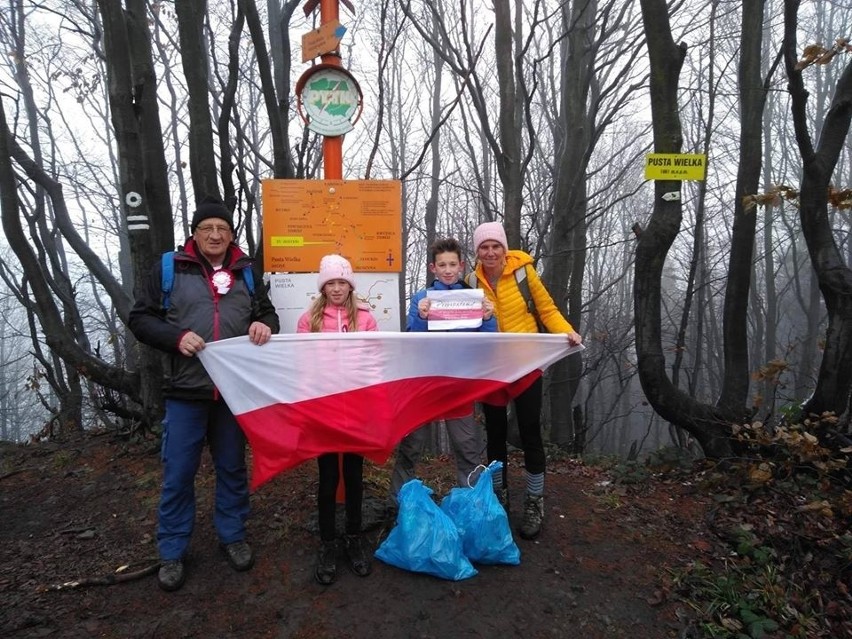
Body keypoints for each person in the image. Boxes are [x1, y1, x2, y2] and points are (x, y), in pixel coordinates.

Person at [128, 197, 280, 591]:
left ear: (231, 235)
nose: (215, 235)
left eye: (223, 229)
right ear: (194, 233)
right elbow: (140, 318)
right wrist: (175, 337)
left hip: (233, 394)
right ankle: (172, 550)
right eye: (207, 228)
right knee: (179, 473)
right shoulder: (170, 269)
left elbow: (268, 313)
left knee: (232, 468)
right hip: (184, 391)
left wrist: (264, 324)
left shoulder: (246, 272)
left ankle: (233, 536)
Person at [468, 221, 582, 540]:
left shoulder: (523, 273)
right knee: (495, 435)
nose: (490, 252)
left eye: (495, 246)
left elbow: (547, 310)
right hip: (492, 367)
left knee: (530, 431)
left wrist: (566, 331)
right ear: (476, 251)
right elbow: (458, 318)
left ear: (505, 249)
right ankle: (498, 498)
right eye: (483, 247)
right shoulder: (469, 280)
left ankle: (534, 501)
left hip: (527, 362)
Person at [390, 237, 496, 507]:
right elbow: (412, 338)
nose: (448, 270)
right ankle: (401, 506)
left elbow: (488, 342)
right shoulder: (421, 299)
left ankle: (475, 506)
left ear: (461, 266)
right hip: (425, 385)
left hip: (459, 385)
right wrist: (421, 318)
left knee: (467, 447)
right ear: (432, 268)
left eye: (452, 264)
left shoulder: (475, 298)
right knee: (411, 446)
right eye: (442, 265)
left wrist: (488, 319)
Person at [296, 254, 378, 585]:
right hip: (324, 409)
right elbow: (303, 365)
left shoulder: (367, 319)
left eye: (342, 282)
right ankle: (328, 542)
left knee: (354, 476)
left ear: (351, 285)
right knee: (329, 477)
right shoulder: (308, 319)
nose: (337, 288)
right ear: (323, 286)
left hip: (356, 408)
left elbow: (374, 362)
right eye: (330, 282)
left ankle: (354, 538)